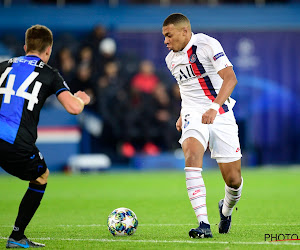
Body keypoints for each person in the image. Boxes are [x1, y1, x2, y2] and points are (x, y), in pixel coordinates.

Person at [0, 25, 90, 248]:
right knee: (41, 176)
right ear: (49, 50)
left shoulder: (3, 66)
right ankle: (17, 236)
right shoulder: (49, 73)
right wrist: (82, 99)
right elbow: (73, 108)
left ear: (25, 47)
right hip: (16, 142)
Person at [162, 13, 243, 238]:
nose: (166, 41)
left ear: (185, 32)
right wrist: (182, 114)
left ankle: (225, 210)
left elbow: (230, 79)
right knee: (192, 154)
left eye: (169, 36)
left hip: (221, 112)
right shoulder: (171, 60)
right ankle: (203, 224)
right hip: (193, 113)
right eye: (164, 37)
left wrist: (214, 108)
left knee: (234, 180)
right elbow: (186, 90)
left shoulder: (207, 45)